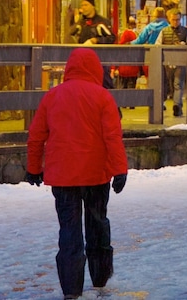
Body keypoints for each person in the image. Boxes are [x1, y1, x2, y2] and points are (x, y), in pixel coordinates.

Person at [26, 48, 128, 298]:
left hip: (63, 177)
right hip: (96, 175)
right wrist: (120, 170)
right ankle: (100, 276)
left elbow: (36, 136)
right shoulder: (103, 97)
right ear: (96, 69)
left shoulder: (52, 97)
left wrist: (33, 168)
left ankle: (71, 288)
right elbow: (112, 138)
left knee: (69, 231)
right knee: (97, 225)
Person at [160, 9, 187, 117]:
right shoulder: (163, 31)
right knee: (165, 84)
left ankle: (177, 106)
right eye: (173, 20)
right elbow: (158, 45)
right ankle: (164, 103)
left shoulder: (186, 31)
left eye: (177, 19)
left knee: (177, 84)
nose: (175, 22)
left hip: (180, 61)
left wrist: (184, 45)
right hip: (166, 62)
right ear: (169, 19)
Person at [114, 17, 140, 90]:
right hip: (133, 72)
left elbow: (116, 58)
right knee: (132, 90)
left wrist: (114, 68)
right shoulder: (135, 48)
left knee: (123, 89)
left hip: (123, 72)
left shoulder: (120, 48)